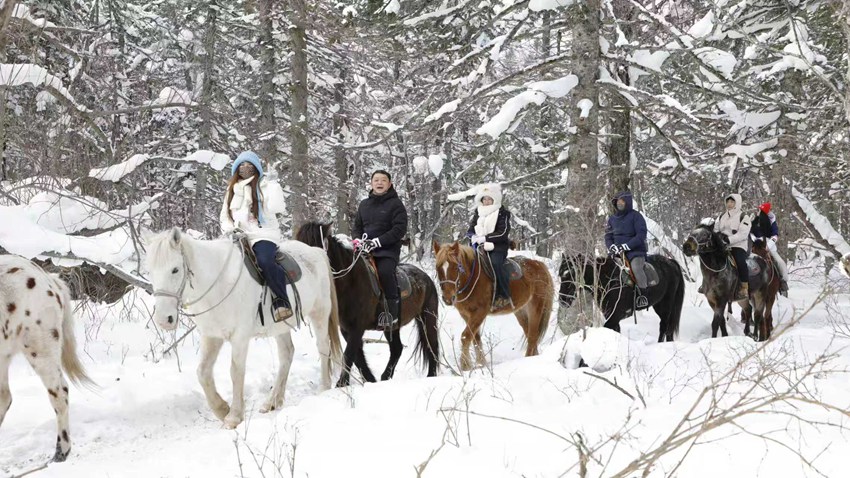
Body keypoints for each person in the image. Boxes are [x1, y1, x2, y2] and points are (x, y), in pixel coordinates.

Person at [219, 151, 291, 321]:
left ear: (256, 168)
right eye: (241, 166)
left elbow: (277, 207)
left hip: (262, 234)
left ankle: (281, 301)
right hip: (238, 235)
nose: (245, 168)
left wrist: (274, 184)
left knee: (265, 261)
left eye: (249, 165)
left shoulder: (265, 186)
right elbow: (224, 216)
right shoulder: (231, 190)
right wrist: (230, 230)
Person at [352, 170, 408, 328]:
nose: (379, 183)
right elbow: (357, 226)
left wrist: (377, 242)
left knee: (384, 272)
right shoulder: (364, 204)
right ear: (371, 183)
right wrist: (358, 240)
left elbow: (399, 230)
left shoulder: (396, 204)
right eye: (376, 180)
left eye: (383, 180)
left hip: (387, 250)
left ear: (389, 184)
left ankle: (392, 314)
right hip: (364, 250)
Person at [466, 183, 512, 309]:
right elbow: (471, 228)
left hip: (498, 247)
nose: (486, 201)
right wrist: (472, 236)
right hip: (479, 246)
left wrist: (485, 238)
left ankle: (503, 295)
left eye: (489, 199)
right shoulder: (478, 212)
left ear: (494, 199)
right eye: (484, 199)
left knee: (495, 263)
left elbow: (503, 233)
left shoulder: (503, 213)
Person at [604, 191, 650, 307]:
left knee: (635, 268)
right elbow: (608, 236)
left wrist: (627, 246)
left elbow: (641, 235)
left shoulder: (636, 217)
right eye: (618, 202)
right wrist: (612, 246)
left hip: (635, 252)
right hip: (617, 253)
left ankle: (642, 295)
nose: (620, 204)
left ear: (627, 202)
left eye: (622, 201)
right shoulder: (612, 219)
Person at [714, 193, 752, 301]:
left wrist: (729, 240)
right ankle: (708, 283)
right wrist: (718, 237)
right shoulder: (721, 216)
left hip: (738, 245)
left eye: (732, 202)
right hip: (722, 245)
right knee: (710, 258)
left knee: (740, 261)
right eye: (728, 202)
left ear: (737, 203)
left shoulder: (743, 216)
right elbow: (716, 229)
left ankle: (744, 287)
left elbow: (743, 234)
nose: (729, 204)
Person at [750, 202, 789, 296]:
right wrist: (754, 240)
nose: (758, 211)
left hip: (768, 245)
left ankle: (783, 283)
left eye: (760, 210)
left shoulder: (772, 221)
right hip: (755, 245)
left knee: (780, 262)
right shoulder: (754, 220)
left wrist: (767, 245)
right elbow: (750, 232)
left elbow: (775, 235)